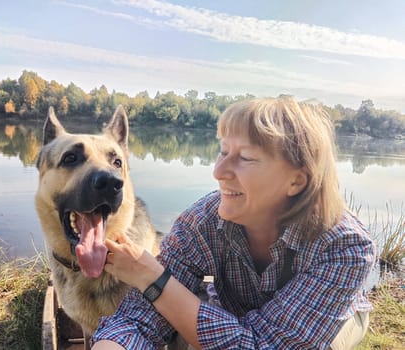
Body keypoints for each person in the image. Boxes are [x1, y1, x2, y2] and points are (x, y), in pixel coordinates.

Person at [91, 96, 375, 349]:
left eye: (246, 158)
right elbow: (136, 320)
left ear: (296, 180)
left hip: (330, 321)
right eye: (223, 152)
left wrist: (152, 278)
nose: (218, 171)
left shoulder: (344, 247)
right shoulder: (200, 224)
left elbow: (268, 345)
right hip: (238, 314)